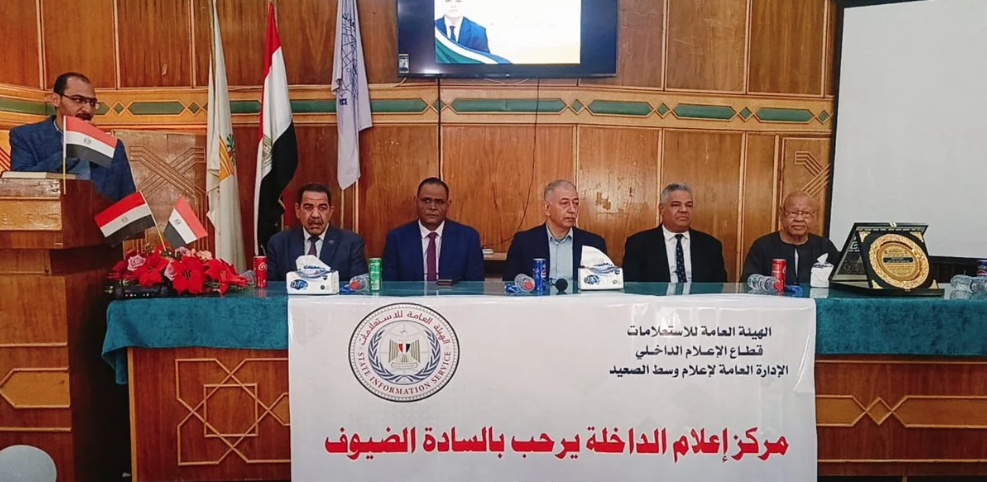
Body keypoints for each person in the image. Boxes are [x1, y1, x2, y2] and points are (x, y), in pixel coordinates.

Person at [9, 72, 136, 202]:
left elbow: (128, 200)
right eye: (78, 100)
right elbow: (19, 186)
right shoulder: (25, 136)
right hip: (49, 213)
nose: (87, 109)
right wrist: (70, 152)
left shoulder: (112, 147)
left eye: (92, 103)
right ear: (56, 99)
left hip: (99, 215)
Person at [503, 180, 607, 286]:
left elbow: (602, 285)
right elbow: (509, 283)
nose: (572, 210)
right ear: (547, 208)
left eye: (575, 204)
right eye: (564, 203)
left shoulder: (594, 244)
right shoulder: (524, 242)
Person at [382, 177, 484, 282]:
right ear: (416, 201)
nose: (432, 207)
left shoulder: (468, 238)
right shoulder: (397, 238)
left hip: (453, 293)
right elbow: (389, 285)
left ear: (448, 205)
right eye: (426, 201)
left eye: (439, 202)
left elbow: (475, 286)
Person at [623, 182, 727, 283]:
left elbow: (720, 286)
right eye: (676, 205)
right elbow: (631, 285)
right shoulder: (639, 244)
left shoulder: (711, 246)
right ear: (662, 209)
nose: (684, 210)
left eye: (689, 205)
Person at [266, 183, 368, 281]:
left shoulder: (351, 243)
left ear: (330, 212)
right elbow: (271, 288)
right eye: (308, 207)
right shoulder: (279, 243)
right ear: (297, 210)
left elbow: (359, 287)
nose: (315, 215)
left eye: (322, 208)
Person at [742, 191, 840, 284]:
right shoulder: (762, 246)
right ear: (781, 214)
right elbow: (748, 282)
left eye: (806, 213)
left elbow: (839, 282)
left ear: (814, 216)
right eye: (793, 213)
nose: (799, 219)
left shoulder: (824, 246)